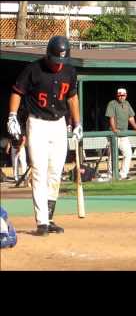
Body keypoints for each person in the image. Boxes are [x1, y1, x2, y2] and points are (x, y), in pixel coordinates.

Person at [6, 35, 83, 236]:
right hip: (37, 122)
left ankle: (49, 217)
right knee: (39, 171)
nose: (58, 65)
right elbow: (17, 92)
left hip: (59, 124)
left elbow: (72, 98)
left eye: (61, 61)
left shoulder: (70, 71)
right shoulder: (33, 69)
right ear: (48, 55)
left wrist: (77, 123)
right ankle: (41, 222)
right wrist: (12, 116)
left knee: (56, 171)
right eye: (55, 60)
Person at [105, 88, 136, 180]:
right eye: (120, 95)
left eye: (123, 95)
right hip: (114, 135)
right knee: (112, 155)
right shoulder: (112, 103)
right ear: (117, 95)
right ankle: (111, 174)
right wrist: (114, 129)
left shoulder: (127, 104)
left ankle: (123, 174)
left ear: (126, 95)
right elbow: (111, 117)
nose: (121, 97)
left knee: (128, 153)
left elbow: (131, 118)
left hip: (124, 134)